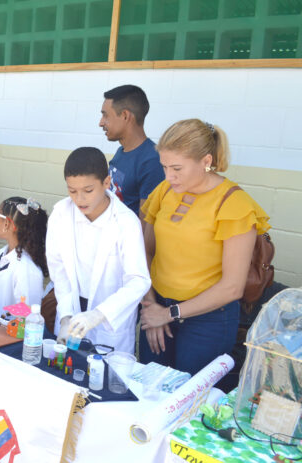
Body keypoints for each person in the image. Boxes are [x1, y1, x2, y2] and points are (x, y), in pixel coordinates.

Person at [139, 119, 269, 375]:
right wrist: (150, 305)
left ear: (206, 161)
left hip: (207, 320)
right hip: (156, 306)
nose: (168, 176)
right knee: (147, 389)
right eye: (164, 166)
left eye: (177, 168)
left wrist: (168, 314)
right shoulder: (164, 191)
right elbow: (145, 251)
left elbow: (232, 287)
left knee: (190, 400)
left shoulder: (234, 204)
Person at [47, 147, 151, 354]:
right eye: (72, 191)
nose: (79, 199)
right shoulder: (61, 213)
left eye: (88, 191)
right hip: (73, 304)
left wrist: (98, 315)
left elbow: (139, 280)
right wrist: (67, 314)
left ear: (106, 183)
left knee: (103, 375)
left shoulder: (125, 222)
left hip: (108, 318)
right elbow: (58, 269)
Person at [0, 196, 48, 316]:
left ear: (7, 224)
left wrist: (3, 318)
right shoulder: (4, 252)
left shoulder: (27, 269)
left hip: (10, 331)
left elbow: (28, 312)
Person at [100, 85, 164, 218]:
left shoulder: (151, 161)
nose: (101, 123)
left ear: (125, 116)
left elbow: (146, 227)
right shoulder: (121, 151)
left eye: (105, 115)